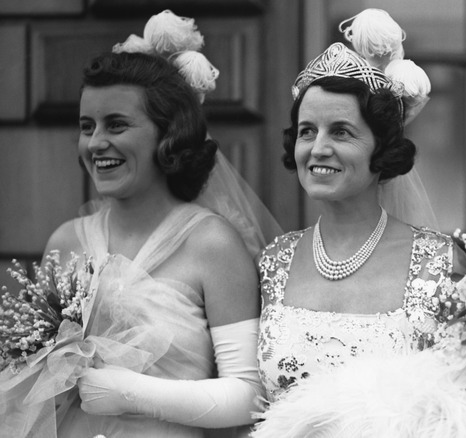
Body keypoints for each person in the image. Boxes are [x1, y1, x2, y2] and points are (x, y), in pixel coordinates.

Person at [27, 10, 280, 438]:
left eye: (117, 125)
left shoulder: (212, 245)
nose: (96, 143)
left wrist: (134, 394)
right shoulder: (64, 241)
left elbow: (250, 394)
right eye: (87, 127)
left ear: (169, 135)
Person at [251, 10, 466, 435]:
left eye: (341, 132)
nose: (318, 148)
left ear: (381, 150)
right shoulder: (273, 261)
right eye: (306, 131)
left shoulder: (441, 262)